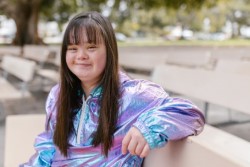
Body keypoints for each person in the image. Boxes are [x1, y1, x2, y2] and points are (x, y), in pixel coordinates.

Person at [21, 11, 205, 167]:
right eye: (73, 48)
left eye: (91, 47)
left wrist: (148, 128)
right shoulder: (58, 94)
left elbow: (190, 113)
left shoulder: (133, 94)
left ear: (109, 51)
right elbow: (49, 148)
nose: (81, 56)